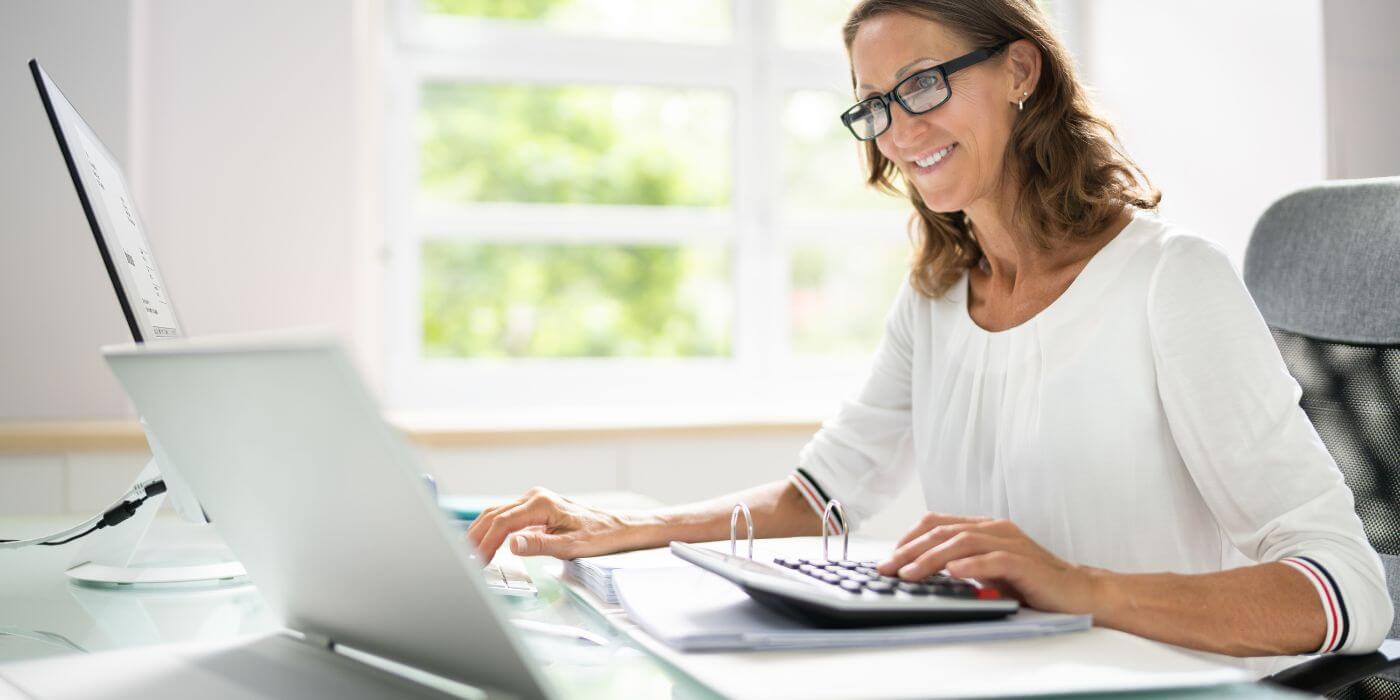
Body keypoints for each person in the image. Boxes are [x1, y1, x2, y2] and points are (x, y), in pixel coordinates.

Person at [468, 0, 1391, 668]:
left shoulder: (1167, 281)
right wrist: (624, 525)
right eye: (874, 104)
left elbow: (1350, 588)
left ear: (1020, 71)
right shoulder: (938, 297)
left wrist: (1081, 585)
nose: (899, 132)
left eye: (922, 84)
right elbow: (819, 499)